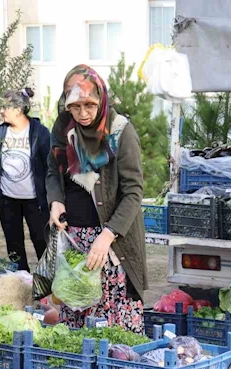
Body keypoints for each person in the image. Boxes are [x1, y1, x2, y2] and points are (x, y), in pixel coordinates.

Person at [46, 64, 147, 332]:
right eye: (75, 107)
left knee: (112, 328)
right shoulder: (63, 128)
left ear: (101, 99)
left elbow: (134, 191)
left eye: (89, 105)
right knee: (74, 322)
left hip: (112, 244)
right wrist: (56, 201)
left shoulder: (121, 133)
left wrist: (107, 235)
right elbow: (53, 170)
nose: (83, 114)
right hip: (75, 239)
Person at [0, 88, 51, 273]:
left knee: (41, 240)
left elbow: (51, 165)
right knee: (13, 244)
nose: (1, 111)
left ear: (17, 109)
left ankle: (46, 281)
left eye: (5, 107)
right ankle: (22, 280)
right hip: (7, 199)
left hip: (35, 200)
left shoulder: (40, 132)